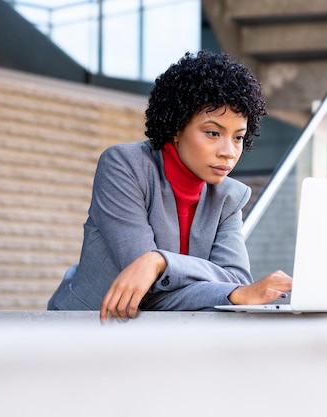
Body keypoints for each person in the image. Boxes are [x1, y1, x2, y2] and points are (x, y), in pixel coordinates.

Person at [47, 50, 292, 321]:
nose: (229, 152)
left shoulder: (229, 197)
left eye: (238, 137)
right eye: (213, 133)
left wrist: (159, 261)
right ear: (176, 127)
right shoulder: (124, 166)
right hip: (84, 329)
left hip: (165, 334)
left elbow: (235, 278)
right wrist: (232, 294)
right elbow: (147, 289)